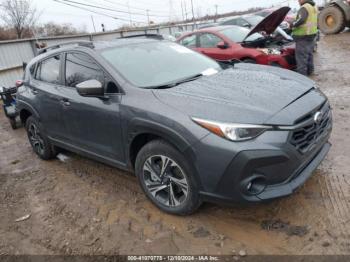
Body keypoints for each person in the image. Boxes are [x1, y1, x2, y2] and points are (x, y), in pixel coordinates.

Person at [292, 0, 318, 76]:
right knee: (309, 54)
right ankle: (311, 72)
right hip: (311, 34)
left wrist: (293, 24)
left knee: (301, 58)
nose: (298, 1)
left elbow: (301, 19)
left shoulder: (304, 7)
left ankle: (302, 78)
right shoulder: (313, 6)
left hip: (303, 35)